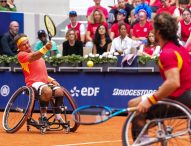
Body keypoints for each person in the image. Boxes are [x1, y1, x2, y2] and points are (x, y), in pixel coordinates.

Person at [128, 13, 191, 140]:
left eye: (153, 29)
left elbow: (173, 83)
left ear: (157, 32)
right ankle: (145, 138)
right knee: (132, 103)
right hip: (184, 94)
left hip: (181, 98)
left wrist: (150, 100)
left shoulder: (167, 53)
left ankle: (143, 141)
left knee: (137, 112)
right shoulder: (179, 48)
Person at [14, 33, 65, 123]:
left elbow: (42, 73)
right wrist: (46, 48)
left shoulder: (38, 55)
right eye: (23, 44)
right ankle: (43, 117)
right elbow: (34, 56)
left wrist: (51, 80)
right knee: (47, 91)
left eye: (27, 43)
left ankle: (57, 116)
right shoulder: (21, 55)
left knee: (59, 91)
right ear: (19, 48)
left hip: (44, 83)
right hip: (33, 84)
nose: (27, 45)